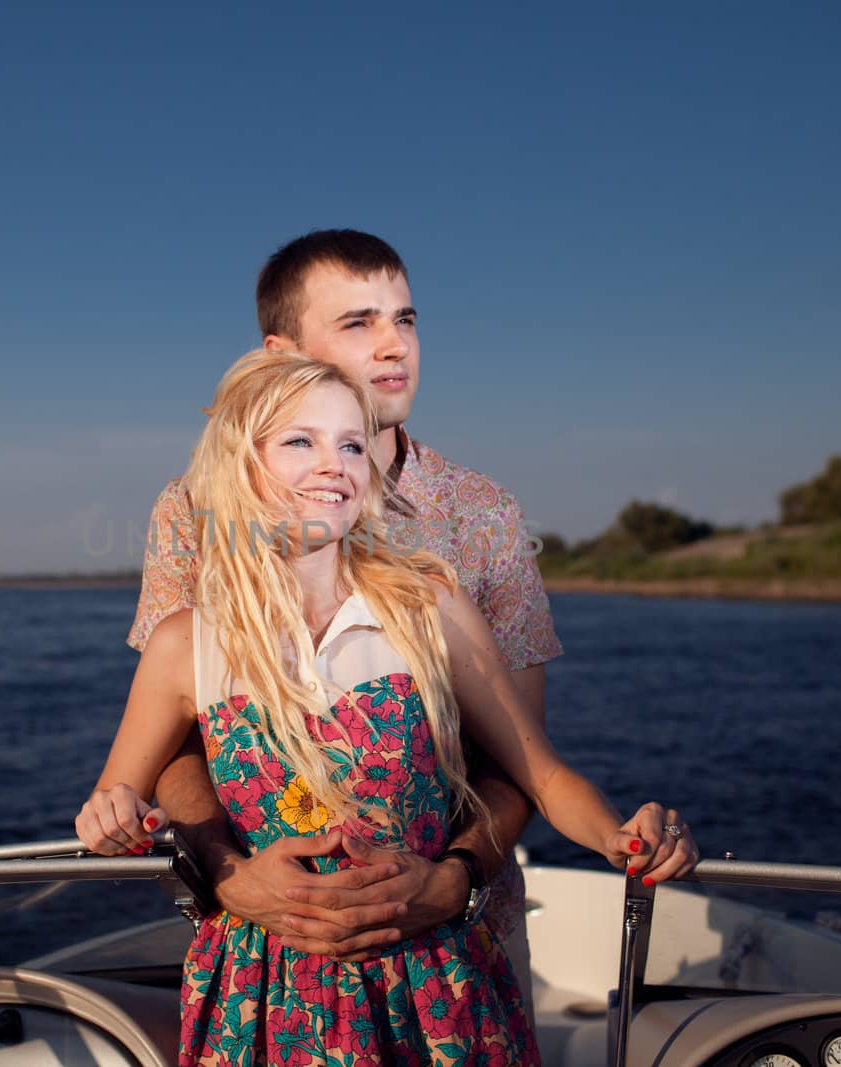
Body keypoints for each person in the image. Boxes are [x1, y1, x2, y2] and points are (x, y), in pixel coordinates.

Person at [78, 350, 698, 1064]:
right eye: (299, 441)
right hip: (265, 997)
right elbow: (113, 803)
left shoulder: (427, 606)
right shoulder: (185, 644)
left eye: (351, 443)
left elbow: (544, 776)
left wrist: (623, 837)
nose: (334, 462)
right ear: (242, 463)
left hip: (435, 990)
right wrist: (115, 819)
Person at [130, 230, 570, 988]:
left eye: (405, 319)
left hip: (460, 953)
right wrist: (231, 875)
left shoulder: (486, 513)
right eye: (358, 322)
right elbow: (174, 738)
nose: (395, 345)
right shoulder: (194, 507)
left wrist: (453, 881)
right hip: (272, 953)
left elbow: (522, 758)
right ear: (278, 354)